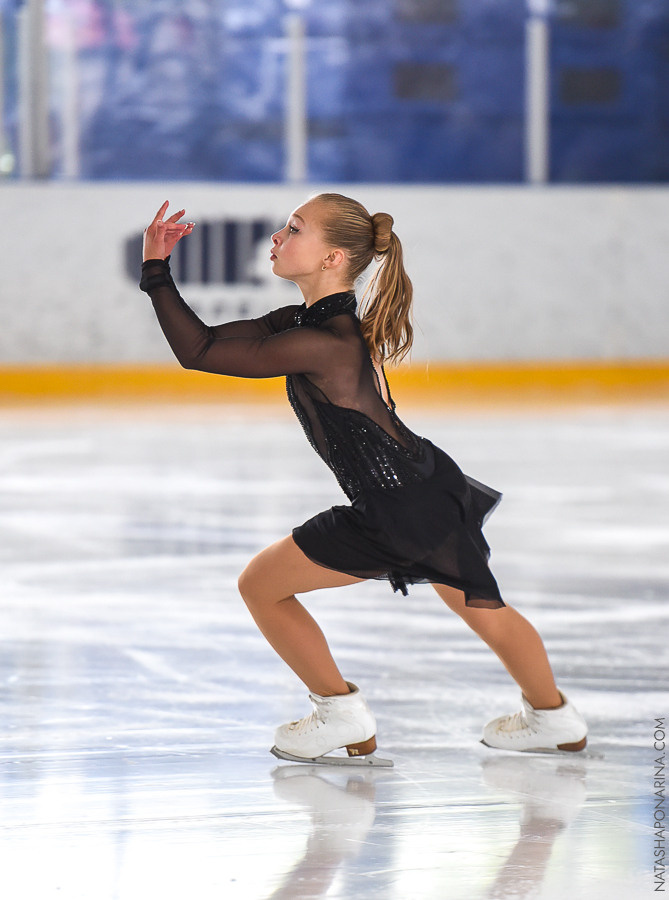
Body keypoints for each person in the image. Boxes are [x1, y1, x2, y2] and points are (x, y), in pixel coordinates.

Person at [140, 194, 588, 766]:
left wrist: (156, 271)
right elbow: (211, 341)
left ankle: (340, 713)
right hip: (425, 488)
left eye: (294, 229)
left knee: (261, 585)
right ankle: (553, 718)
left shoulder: (325, 342)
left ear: (331, 258)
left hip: (398, 506)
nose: (277, 237)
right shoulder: (308, 323)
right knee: (482, 607)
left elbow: (198, 352)